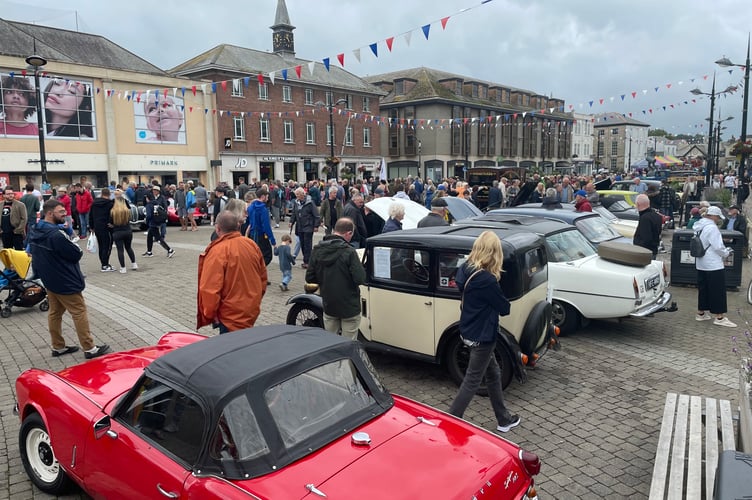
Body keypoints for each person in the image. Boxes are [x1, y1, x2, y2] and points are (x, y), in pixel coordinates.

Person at [447, 231, 519, 433]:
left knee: (493, 373)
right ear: (494, 253)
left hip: (468, 328)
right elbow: (504, 308)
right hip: (483, 335)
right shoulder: (486, 280)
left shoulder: (465, 268)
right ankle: (452, 418)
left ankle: (504, 418)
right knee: (472, 380)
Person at [28, 199, 109, 359]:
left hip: (49, 278)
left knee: (55, 312)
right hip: (64, 279)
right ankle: (90, 348)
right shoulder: (56, 235)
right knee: (79, 311)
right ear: (50, 213)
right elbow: (75, 253)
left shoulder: (36, 229)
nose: (65, 214)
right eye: (61, 212)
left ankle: (58, 346)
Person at [197, 211, 267, 334]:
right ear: (238, 226)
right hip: (250, 309)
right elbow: (263, 277)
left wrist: (210, 313)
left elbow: (210, 289)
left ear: (217, 228)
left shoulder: (217, 251)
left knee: (230, 349)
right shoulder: (251, 244)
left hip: (228, 315)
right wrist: (255, 299)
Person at [305, 217, 366, 340]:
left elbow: (310, 277)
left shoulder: (317, 250)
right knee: (348, 344)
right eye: (351, 235)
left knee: (331, 341)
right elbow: (360, 279)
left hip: (329, 303)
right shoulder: (349, 252)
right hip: (349, 306)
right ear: (348, 233)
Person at [693, 206, 736, 327]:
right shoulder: (712, 228)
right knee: (717, 290)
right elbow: (718, 247)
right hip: (713, 263)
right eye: (717, 217)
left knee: (704, 288)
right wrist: (726, 252)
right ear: (713, 216)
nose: (718, 220)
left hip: (701, 262)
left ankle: (701, 313)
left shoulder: (698, 225)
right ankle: (719, 317)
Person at [289, 187, 320, 268]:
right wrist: (291, 222)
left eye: (298, 194)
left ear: (303, 194)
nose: (297, 196)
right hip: (300, 226)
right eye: (296, 194)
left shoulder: (310, 203)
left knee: (307, 244)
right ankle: (306, 260)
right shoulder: (296, 202)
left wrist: (316, 226)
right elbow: (294, 213)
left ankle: (308, 262)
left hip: (308, 226)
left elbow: (316, 215)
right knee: (302, 244)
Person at [246, 187, 276, 266]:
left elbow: (249, 223)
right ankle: (258, 271)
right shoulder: (263, 209)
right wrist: (273, 240)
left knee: (256, 254)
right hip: (261, 235)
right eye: (267, 196)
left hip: (252, 235)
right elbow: (266, 226)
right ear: (263, 197)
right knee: (267, 256)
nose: (268, 198)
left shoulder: (250, 208)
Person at [109, 190, 138, 273]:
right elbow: (130, 219)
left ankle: (123, 267)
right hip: (128, 231)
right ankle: (134, 263)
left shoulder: (113, 212)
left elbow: (110, 223)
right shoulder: (127, 211)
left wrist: (112, 225)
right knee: (129, 248)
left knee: (120, 250)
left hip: (117, 232)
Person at [143, 186, 175, 258]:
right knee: (149, 237)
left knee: (158, 238)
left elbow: (149, 215)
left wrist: (146, 221)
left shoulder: (149, 204)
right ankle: (149, 251)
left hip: (153, 222)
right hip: (156, 221)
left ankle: (170, 250)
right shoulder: (155, 203)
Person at [89, 187, 115, 272]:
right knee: (107, 246)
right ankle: (105, 265)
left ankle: (103, 263)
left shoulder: (94, 203)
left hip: (97, 227)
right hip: (107, 227)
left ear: (101, 194)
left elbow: (91, 215)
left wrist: (91, 227)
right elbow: (112, 215)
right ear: (109, 194)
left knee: (101, 245)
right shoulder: (110, 204)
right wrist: (112, 223)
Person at [633, 193, 663, 258]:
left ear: (638, 204)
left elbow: (646, 238)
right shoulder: (657, 216)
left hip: (645, 253)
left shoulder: (645, 218)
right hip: (653, 250)